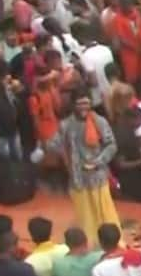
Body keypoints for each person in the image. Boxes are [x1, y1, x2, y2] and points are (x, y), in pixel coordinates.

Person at [49, 92, 119, 241]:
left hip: (98, 176)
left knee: (105, 214)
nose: (83, 107)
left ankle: (112, 242)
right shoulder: (66, 124)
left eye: (86, 103)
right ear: (73, 105)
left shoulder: (99, 121)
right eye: (80, 104)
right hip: (77, 178)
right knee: (85, 217)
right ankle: (91, 244)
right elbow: (53, 144)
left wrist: (98, 161)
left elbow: (111, 145)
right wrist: (58, 150)